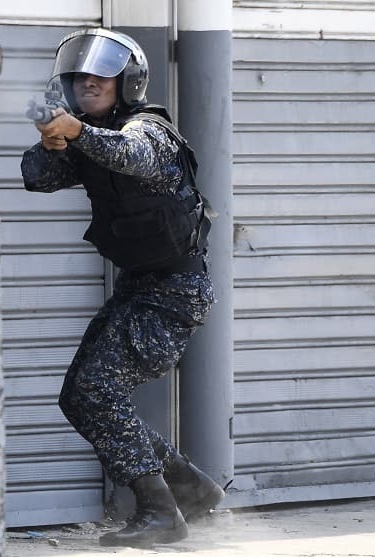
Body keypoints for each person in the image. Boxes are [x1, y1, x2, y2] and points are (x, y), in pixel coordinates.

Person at [21, 28, 224, 548]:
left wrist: (79, 134)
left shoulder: (149, 129)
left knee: (98, 390)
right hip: (141, 287)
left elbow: (134, 156)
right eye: (78, 76)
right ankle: (191, 488)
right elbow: (38, 177)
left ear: (127, 81)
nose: (88, 83)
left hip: (176, 292)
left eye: (100, 75)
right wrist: (52, 139)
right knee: (78, 396)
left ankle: (161, 513)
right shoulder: (87, 131)